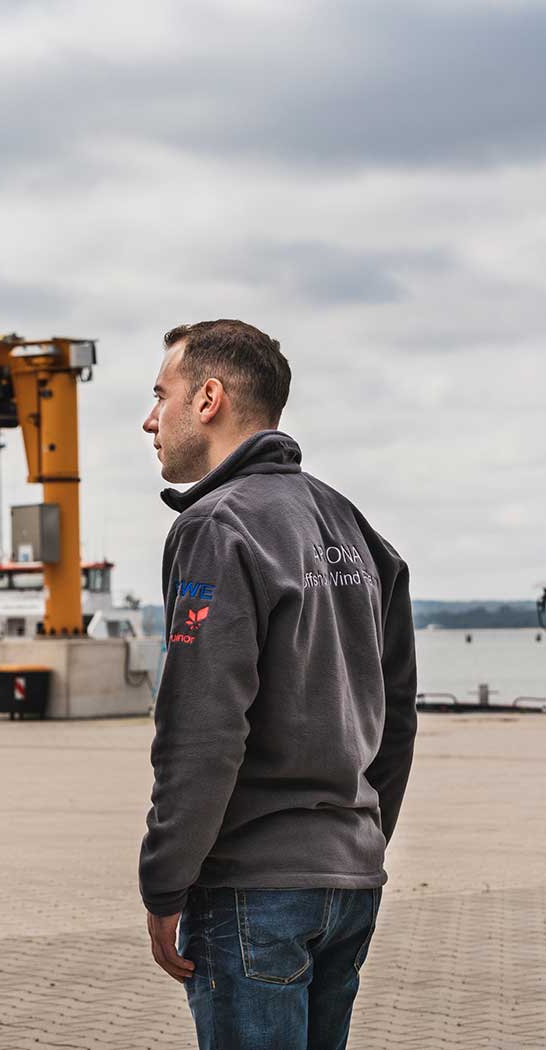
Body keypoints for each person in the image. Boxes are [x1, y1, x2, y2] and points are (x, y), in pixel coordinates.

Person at [138, 320, 416, 1050]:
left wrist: (164, 882)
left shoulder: (218, 526)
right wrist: (357, 840)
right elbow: (398, 715)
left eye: (160, 395)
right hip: (350, 878)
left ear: (208, 398)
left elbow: (203, 726)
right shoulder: (354, 528)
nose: (149, 419)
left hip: (251, 890)